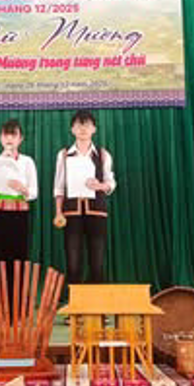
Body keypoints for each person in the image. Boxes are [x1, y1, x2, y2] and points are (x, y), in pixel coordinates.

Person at [54, 110, 116, 284]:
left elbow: (111, 182)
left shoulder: (103, 155)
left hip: (97, 212)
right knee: (73, 262)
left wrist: (100, 186)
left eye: (87, 125)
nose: (83, 129)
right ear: (72, 129)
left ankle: (96, 301)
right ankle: (74, 300)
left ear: (94, 129)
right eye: (79, 125)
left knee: (97, 261)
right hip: (71, 213)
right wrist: (58, 212)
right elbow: (59, 187)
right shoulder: (64, 155)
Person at [0, 119, 38, 293]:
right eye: (5, 135)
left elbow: (34, 192)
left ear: (20, 139)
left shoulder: (27, 161)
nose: (9, 139)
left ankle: (17, 301)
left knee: (18, 256)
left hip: (19, 214)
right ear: (0, 138)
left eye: (13, 135)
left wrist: (23, 189)